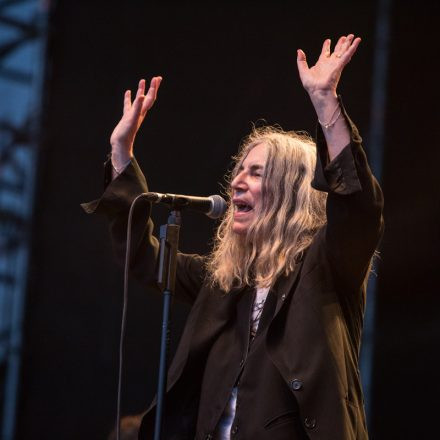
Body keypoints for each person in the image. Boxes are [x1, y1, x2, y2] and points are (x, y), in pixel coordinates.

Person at [83, 34, 384, 439]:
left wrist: (325, 102)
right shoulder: (226, 282)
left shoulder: (326, 268)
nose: (237, 183)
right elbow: (145, 258)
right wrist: (121, 155)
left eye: (256, 173)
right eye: (239, 171)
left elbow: (358, 208)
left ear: (291, 192)